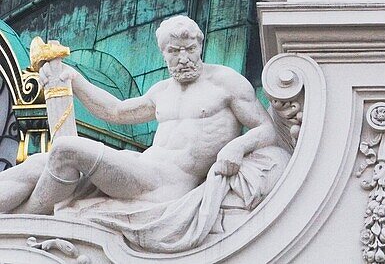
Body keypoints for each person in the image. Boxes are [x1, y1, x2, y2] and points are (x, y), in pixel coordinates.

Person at [0, 15, 277, 215]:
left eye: (190, 50)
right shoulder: (162, 91)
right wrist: (74, 78)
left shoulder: (226, 82)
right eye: (175, 52)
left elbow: (267, 129)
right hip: (139, 167)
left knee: (65, 149)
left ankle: (23, 224)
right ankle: (16, 223)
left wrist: (237, 147)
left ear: (200, 46)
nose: (184, 58)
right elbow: (115, 111)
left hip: (165, 184)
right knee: (41, 161)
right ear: (163, 55)